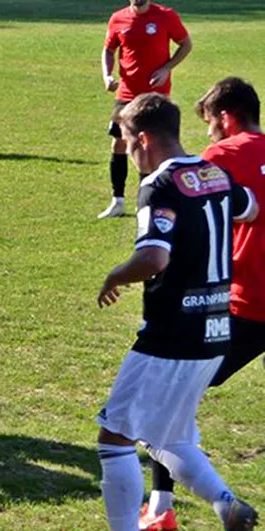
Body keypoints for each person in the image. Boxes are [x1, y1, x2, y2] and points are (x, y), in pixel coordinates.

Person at [95, 93, 258, 531]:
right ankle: (226, 505)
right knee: (170, 436)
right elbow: (251, 208)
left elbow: (153, 258)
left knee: (115, 438)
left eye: (128, 142)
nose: (128, 153)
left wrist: (114, 276)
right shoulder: (216, 173)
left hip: (171, 334)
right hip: (217, 328)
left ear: (143, 139)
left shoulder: (160, 183)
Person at [141, 78, 265, 531]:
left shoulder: (222, 157)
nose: (209, 135)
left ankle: (160, 509)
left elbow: (178, 202)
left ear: (227, 118)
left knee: (164, 399)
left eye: (211, 124)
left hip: (245, 305)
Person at [99, 0, 192, 219]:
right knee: (118, 143)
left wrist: (166, 68)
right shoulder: (118, 19)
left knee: (153, 147)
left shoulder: (166, 16)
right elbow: (108, 50)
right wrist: (107, 75)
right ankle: (117, 200)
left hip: (155, 96)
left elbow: (186, 44)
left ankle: (149, 203)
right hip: (126, 94)